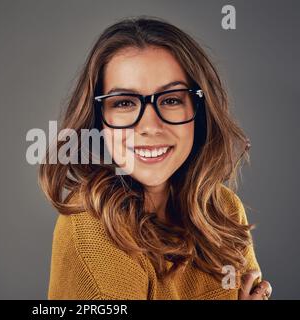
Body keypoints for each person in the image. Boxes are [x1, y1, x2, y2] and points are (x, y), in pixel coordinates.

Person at [39, 16, 272, 300]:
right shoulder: (92, 227)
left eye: (171, 99)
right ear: (98, 120)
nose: (149, 126)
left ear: (199, 111)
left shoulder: (224, 210)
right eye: (124, 103)